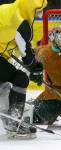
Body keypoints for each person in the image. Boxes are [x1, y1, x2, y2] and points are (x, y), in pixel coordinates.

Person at [0, 0, 47, 139]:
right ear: (30, 7)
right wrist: (35, 70)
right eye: (38, 10)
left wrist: (33, 66)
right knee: (21, 78)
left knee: (3, 82)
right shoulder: (22, 24)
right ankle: (13, 122)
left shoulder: (8, 9)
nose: (40, 13)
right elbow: (26, 54)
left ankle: (8, 117)